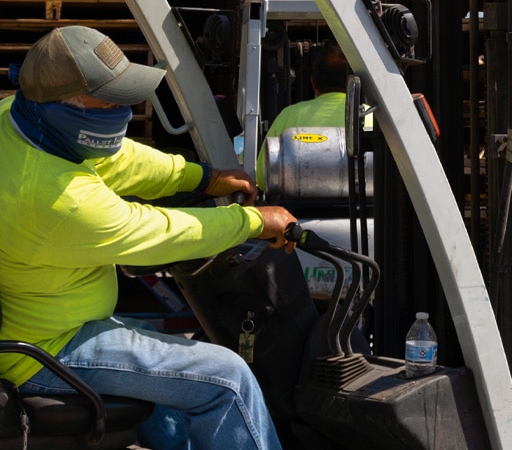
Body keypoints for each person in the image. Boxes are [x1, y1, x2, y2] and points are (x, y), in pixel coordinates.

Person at [0, 25, 298, 450]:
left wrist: (203, 178)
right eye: (111, 98)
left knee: (175, 395)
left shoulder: (21, 119)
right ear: (69, 108)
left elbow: (119, 159)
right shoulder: (57, 199)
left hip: (50, 320)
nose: (125, 106)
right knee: (226, 379)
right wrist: (252, 222)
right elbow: (158, 233)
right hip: (48, 350)